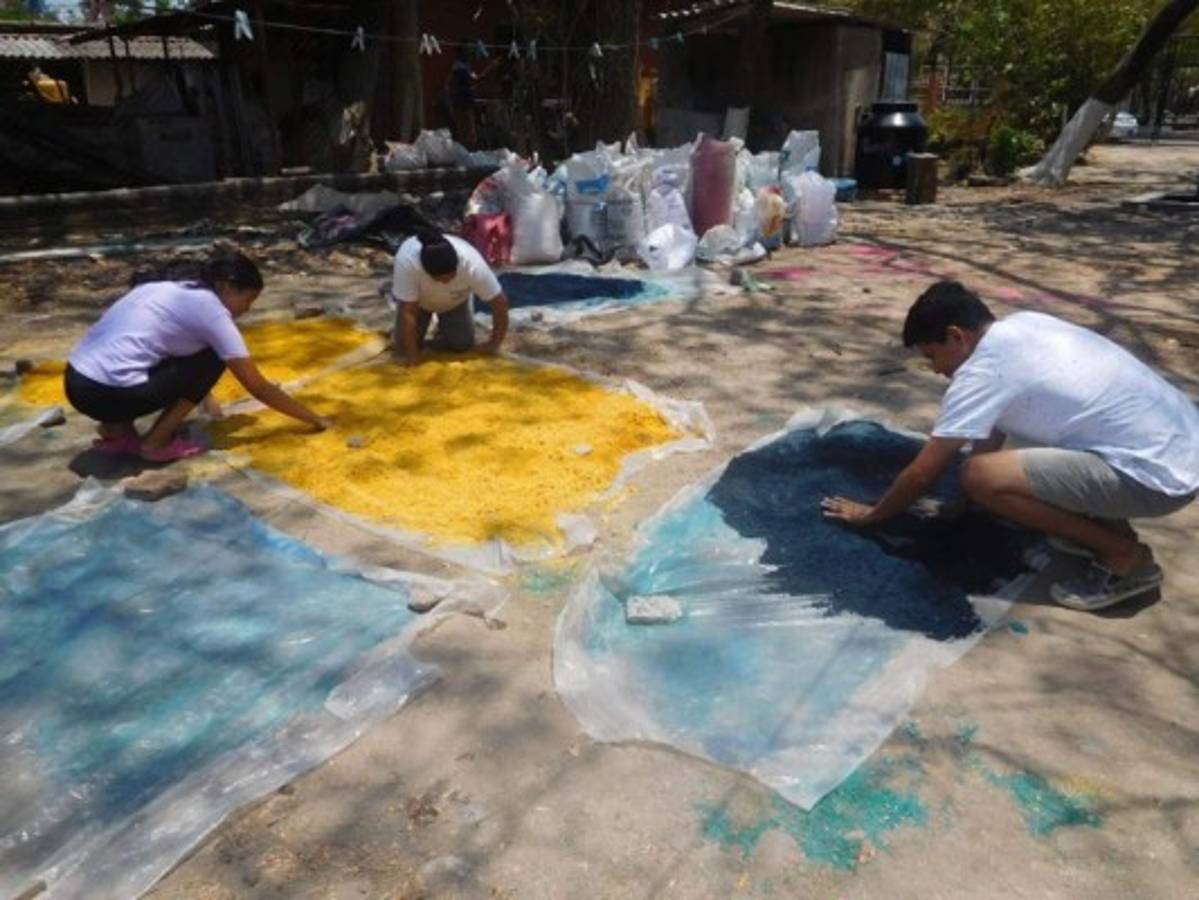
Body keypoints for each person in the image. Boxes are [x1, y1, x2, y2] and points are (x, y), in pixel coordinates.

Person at [821, 281, 1199, 611]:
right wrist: (963, 504)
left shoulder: (983, 371)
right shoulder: (1023, 326)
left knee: (982, 476)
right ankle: (1108, 533)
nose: (935, 369)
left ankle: (1125, 558)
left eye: (932, 355)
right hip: (1178, 448)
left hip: (1158, 480)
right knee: (991, 472)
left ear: (957, 336)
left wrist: (872, 515)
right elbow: (991, 424)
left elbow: (923, 473)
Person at [64, 252, 331, 463]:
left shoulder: (165, 287)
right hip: (108, 395)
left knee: (136, 358)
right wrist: (315, 419)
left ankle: (116, 433)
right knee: (216, 355)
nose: (247, 310)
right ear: (226, 287)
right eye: (247, 300)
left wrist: (206, 399)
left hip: (76, 383)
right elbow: (258, 388)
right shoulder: (211, 311)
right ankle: (155, 443)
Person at [391, 229, 510, 366]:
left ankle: (443, 329)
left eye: (450, 277)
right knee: (403, 348)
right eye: (439, 280)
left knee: (461, 345)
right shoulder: (407, 262)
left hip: (455, 302)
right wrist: (413, 357)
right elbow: (408, 312)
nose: (445, 282)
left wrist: (494, 343)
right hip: (419, 304)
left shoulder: (471, 264)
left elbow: (499, 303)